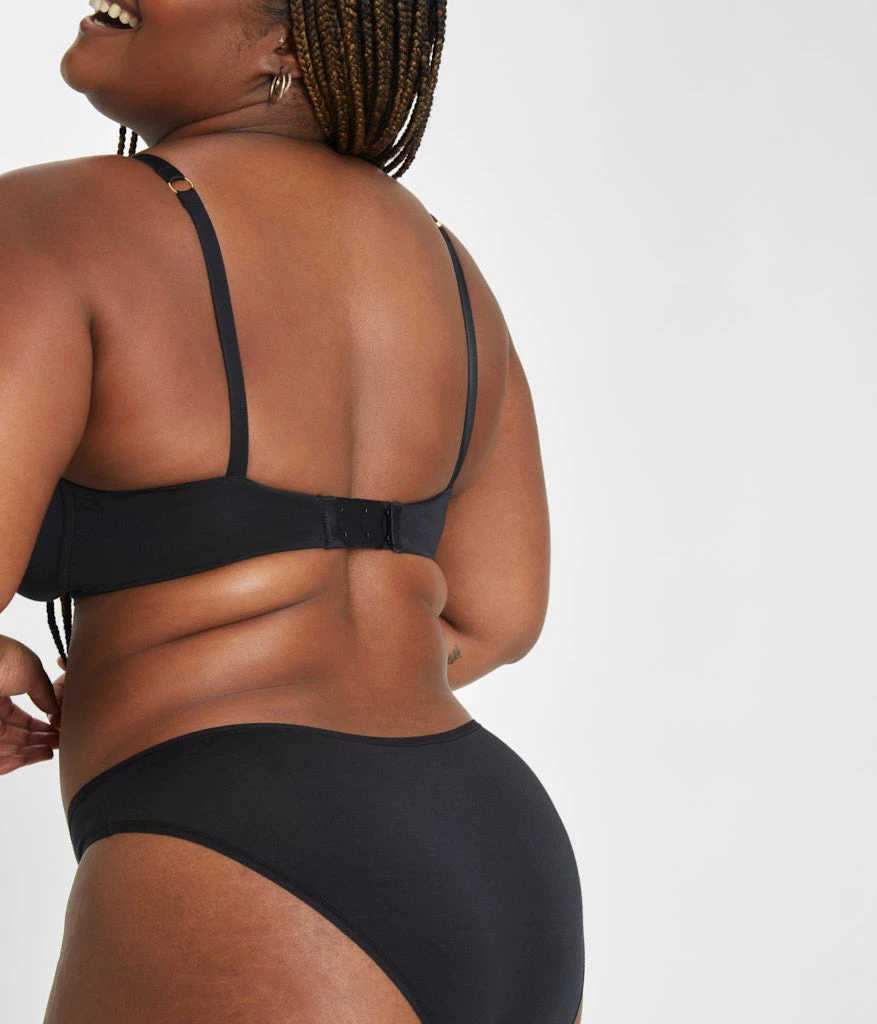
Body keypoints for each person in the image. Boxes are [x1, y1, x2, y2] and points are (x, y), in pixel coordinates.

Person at [0, 2, 585, 1021]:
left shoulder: (55, 221)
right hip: (495, 853)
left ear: (282, 42)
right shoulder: (444, 263)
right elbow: (499, 616)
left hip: (242, 855)